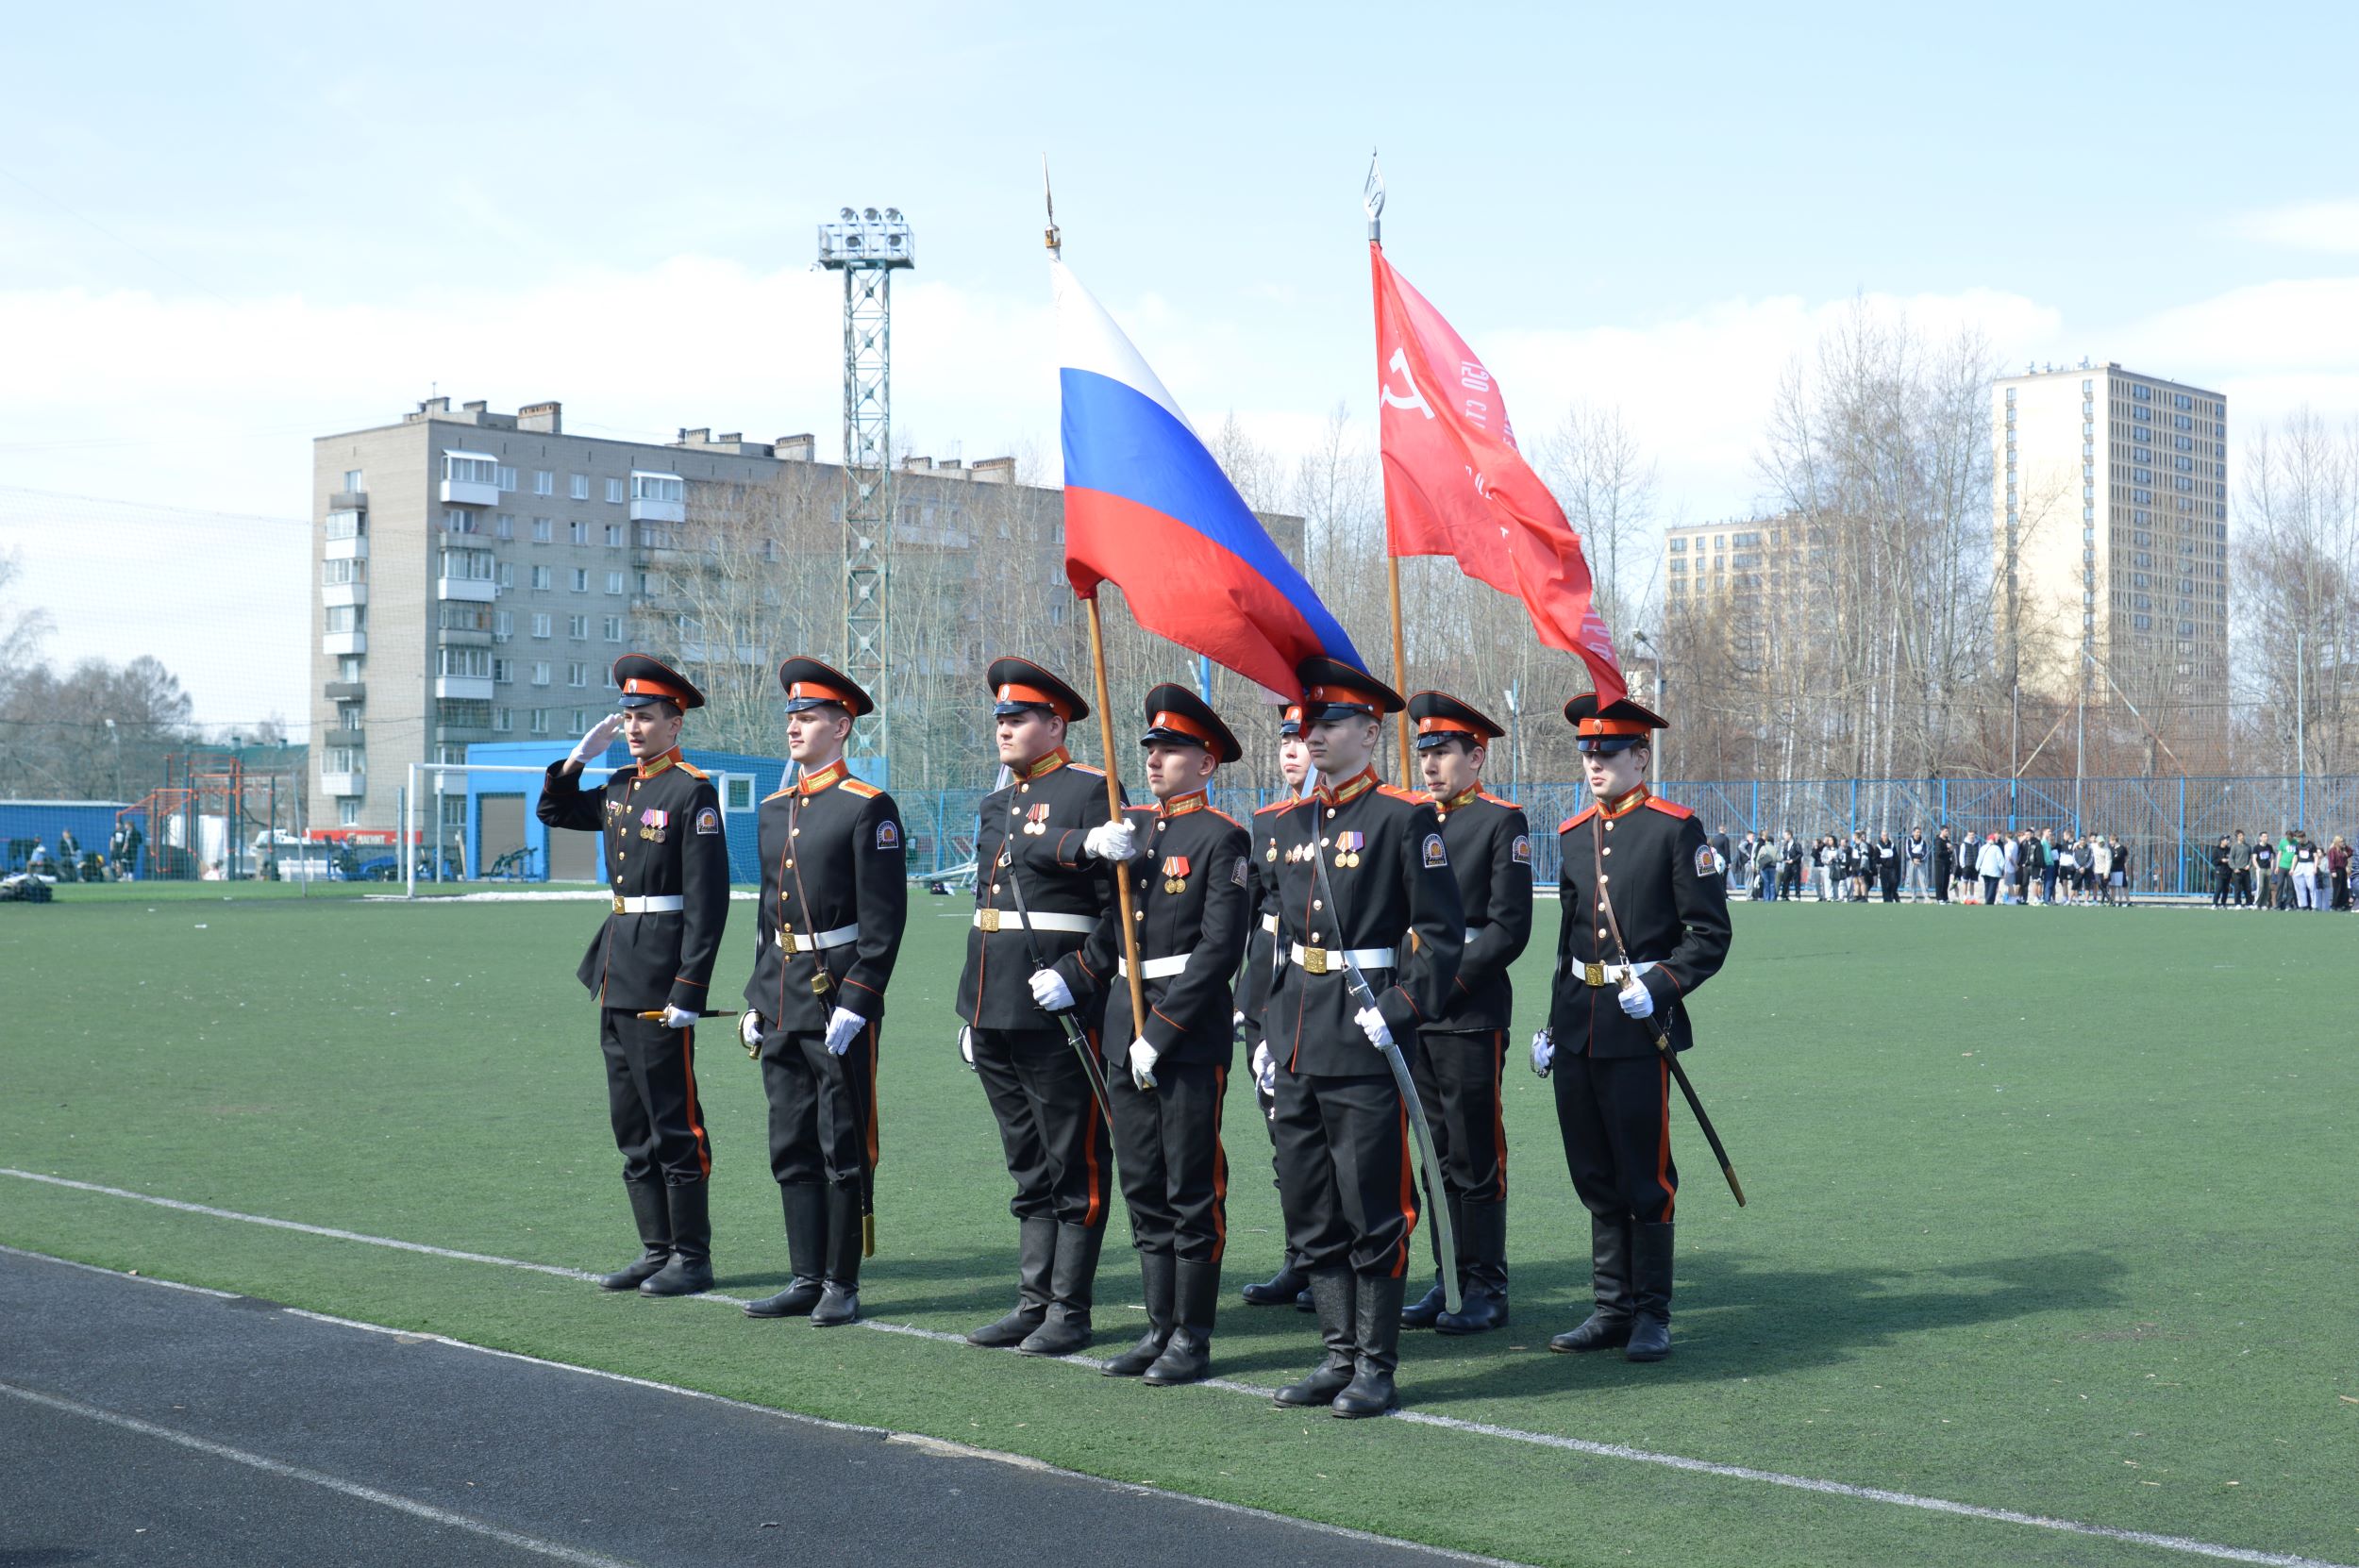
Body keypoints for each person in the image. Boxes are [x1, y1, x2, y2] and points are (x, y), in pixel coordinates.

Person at [1261, 658, 1463, 1418]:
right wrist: (1266, 1026)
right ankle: (1336, 1355)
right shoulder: (1288, 823)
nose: (1312, 735)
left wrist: (1402, 1007)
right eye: (1308, 724)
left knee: (1372, 1204)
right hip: (1297, 1035)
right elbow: (1274, 938)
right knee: (1310, 1204)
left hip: (1364, 1036)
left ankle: (1375, 1365)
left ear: (1370, 733)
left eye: (1329, 723)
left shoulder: (1403, 819)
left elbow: (1441, 938)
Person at [1048, 684, 1249, 1386]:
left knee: (1191, 1186)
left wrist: (1159, 1033)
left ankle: (1192, 1336)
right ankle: (1159, 1326)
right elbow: (1113, 930)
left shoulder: (1221, 837)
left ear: (1207, 762)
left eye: (1172, 749)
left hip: (1183, 1033)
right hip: (1120, 1025)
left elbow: (1219, 951)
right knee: (1141, 1183)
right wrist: (1093, 854)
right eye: (1151, 749)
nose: (1155, 760)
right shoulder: (1133, 828)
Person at [1532, 692, 1731, 1364]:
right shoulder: (1572, 835)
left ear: (1640, 758)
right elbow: (1567, 942)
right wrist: (1552, 1025)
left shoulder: (1675, 830)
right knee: (1592, 1170)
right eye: (1587, 754)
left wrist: (1661, 986)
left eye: (1609, 754)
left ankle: (1651, 1313)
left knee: (1644, 1173)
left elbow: (1709, 936)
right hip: (1579, 1026)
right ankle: (1611, 1308)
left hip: (1638, 1030)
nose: (1594, 765)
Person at [537, 655, 731, 1297]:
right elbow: (555, 811)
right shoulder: (620, 786)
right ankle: (656, 1250)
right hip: (618, 967)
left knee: (675, 1122)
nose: (633, 728)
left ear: (675, 724)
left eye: (645, 717)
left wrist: (690, 987)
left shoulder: (691, 792)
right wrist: (576, 760)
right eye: (627, 717)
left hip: (661, 975)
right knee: (631, 1125)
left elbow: (708, 902)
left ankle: (692, 1258)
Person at [959, 658, 1129, 1357]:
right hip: (994, 1006)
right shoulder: (995, 803)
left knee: (1073, 1162)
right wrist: (972, 1010)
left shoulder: (1091, 791)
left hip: (1059, 1008)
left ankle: (1069, 1310)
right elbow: (987, 910)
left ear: (1056, 725)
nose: (1003, 728)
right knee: (1027, 1163)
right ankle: (1033, 1301)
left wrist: (1081, 975)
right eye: (1000, 718)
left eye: (1018, 718)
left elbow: (1120, 912)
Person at [737, 659, 908, 1328]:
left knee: (842, 1141)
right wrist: (757, 999)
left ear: (841, 728)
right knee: (790, 1141)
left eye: (808, 718)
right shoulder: (774, 809)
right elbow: (766, 915)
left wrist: (858, 1001)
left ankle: (841, 1281)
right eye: (792, 717)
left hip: (837, 995)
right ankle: (804, 1276)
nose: (794, 727)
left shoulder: (867, 807)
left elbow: (884, 922)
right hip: (783, 994)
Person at [1397, 691, 1533, 1338]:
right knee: (1435, 1152)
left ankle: (1486, 1286)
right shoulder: (1411, 820)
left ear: (1475, 758)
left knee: (1474, 1153)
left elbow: (1508, 930)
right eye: (1424, 752)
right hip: (1413, 1010)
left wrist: (1438, 986)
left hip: (1467, 1010)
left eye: (1444, 752)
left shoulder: (1501, 822)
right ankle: (1448, 1277)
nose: (1430, 765)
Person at [1238, 706, 1314, 1311]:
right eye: (1286, 738)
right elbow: (1249, 919)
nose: (1291, 749)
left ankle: (1333, 1262)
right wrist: (1244, 1000)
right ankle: (1300, 1258)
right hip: (1266, 992)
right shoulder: (1266, 821)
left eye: (1303, 738)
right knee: (1282, 1134)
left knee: (1324, 1139)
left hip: (1319, 994)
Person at [2291, 832, 2320, 910]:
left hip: (2309, 864)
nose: (2298, 840)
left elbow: (2316, 857)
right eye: (2297, 839)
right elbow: (2295, 857)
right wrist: (2292, 869)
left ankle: (2314, 906)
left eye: (2299, 839)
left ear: (2304, 837)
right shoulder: (2297, 845)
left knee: (2312, 886)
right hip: (2300, 865)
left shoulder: (2311, 845)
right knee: (2299, 887)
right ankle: (2303, 905)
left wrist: (2315, 868)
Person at [1976, 832, 2005, 905]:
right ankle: (1989, 901)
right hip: (1994, 871)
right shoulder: (1996, 848)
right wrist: (2002, 869)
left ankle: (1987, 899)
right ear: (1994, 840)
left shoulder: (1983, 848)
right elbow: (2001, 860)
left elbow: (1979, 859)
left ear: (1987, 840)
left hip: (1984, 871)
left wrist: (1977, 868)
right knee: (1993, 886)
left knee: (1987, 885)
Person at [1903, 826, 1930, 903]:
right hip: (1912, 862)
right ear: (1913, 832)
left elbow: (1925, 852)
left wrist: (1920, 859)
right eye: (1917, 832)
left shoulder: (1923, 842)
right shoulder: (1909, 840)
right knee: (1912, 879)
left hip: (1921, 862)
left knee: (1923, 879)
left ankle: (1926, 897)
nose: (1918, 834)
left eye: (1920, 832)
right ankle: (1913, 897)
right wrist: (1913, 859)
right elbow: (1908, 851)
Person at [2228, 830, 2254, 908]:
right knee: (2237, 888)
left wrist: (2249, 865)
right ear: (2237, 837)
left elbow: (2251, 857)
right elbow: (2231, 859)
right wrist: (2234, 868)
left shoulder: (2248, 846)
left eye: (2242, 835)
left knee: (2248, 888)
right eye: (2240, 836)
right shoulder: (2234, 847)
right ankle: (2238, 903)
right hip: (2237, 871)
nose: (2242, 837)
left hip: (2246, 870)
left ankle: (2249, 903)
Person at [2327, 835, 2351, 911]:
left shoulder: (2343, 850)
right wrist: (2333, 871)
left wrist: (2345, 846)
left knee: (2344, 887)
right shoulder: (2332, 850)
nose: (2343, 842)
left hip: (2343, 870)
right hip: (2336, 871)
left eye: (2343, 841)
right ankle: (2335, 905)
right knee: (2337, 888)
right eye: (2341, 841)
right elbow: (2331, 861)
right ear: (2337, 842)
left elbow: (2351, 852)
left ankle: (2343, 904)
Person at [2209, 835, 2234, 908]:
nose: (2228, 841)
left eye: (2228, 840)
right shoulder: (2216, 850)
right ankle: (2214, 903)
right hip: (2219, 871)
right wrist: (2221, 860)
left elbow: (2232, 859)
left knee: (2226, 889)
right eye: (2226, 840)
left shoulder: (2229, 850)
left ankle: (2223, 904)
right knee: (2219, 887)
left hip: (2228, 871)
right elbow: (2213, 861)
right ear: (2222, 841)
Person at [1932, 826, 1954, 903]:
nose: (1947, 832)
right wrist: (1948, 850)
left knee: (1946, 881)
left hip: (1947, 862)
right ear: (1942, 831)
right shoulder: (1938, 841)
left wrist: (1950, 849)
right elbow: (1939, 853)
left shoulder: (1947, 840)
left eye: (1948, 831)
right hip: (1940, 863)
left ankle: (1945, 898)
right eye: (1946, 831)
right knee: (1939, 881)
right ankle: (1939, 898)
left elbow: (1950, 851)